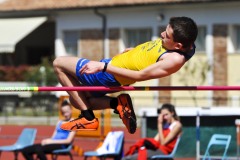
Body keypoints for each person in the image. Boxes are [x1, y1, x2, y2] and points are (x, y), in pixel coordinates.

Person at [53, 16, 198, 134]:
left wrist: (103, 67)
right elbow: (151, 55)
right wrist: (135, 51)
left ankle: (88, 118)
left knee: (58, 63)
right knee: (78, 100)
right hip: (110, 69)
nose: (162, 35)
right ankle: (118, 104)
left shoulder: (174, 59)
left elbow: (139, 75)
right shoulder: (185, 42)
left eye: (166, 35)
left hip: (107, 74)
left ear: (178, 46)